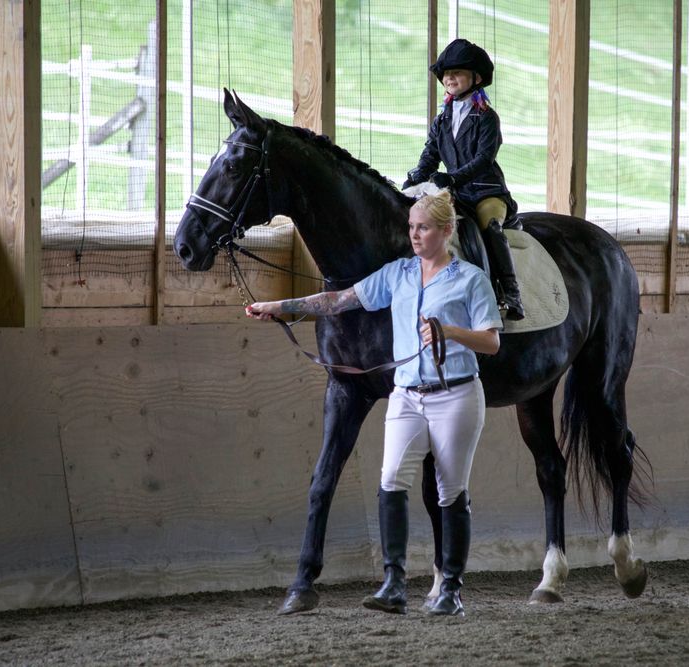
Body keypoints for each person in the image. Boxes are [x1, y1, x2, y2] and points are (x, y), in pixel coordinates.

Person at [246, 190, 502, 616]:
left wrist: (451, 332)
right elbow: (338, 300)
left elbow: (492, 342)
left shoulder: (470, 279)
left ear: (446, 231)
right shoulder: (398, 274)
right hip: (407, 396)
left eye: (423, 228)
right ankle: (393, 584)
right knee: (391, 480)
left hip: (455, 395)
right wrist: (280, 307)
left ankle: (451, 590)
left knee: (450, 491)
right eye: (411, 227)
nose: (414, 235)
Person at [403, 38, 525, 321]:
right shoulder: (442, 120)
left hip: (486, 191)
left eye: (456, 72)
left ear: (476, 78)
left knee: (490, 226)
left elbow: (484, 159)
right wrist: (414, 179)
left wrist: (453, 177)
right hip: (453, 193)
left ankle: (510, 293)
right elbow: (430, 156)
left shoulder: (487, 118)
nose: (449, 78)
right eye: (446, 74)